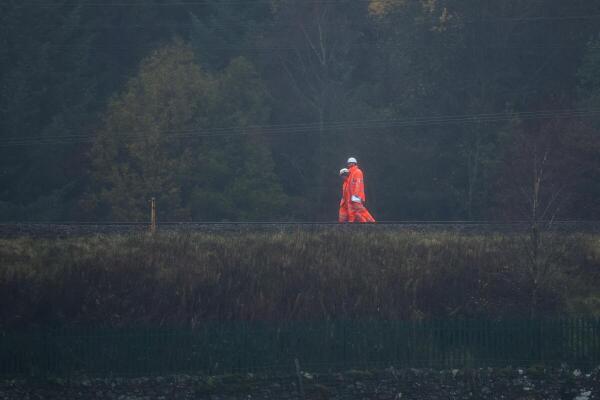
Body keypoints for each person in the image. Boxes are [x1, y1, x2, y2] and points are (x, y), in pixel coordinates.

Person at [346, 157, 375, 223]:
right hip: (351, 197)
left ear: (354, 163)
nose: (349, 165)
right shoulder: (350, 173)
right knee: (353, 212)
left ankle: (372, 222)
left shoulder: (357, 172)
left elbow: (358, 184)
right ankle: (355, 225)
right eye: (348, 163)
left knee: (361, 210)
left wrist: (355, 196)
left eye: (350, 163)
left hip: (356, 196)